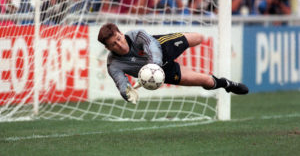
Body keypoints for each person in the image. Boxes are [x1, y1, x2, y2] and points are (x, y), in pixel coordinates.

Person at [98, 23, 249, 104]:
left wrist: (153, 66)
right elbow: (121, 82)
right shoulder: (113, 64)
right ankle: (227, 84)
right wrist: (127, 93)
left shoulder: (136, 34)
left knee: (199, 37)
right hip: (163, 72)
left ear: (121, 33)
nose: (119, 44)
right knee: (206, 80)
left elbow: (152, 46)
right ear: (107, 48)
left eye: (119, 38)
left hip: (163, 47)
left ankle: (179, 36)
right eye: (113, 44)